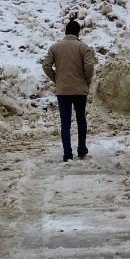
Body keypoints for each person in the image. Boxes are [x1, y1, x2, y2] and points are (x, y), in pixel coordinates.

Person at [40, 19, 97, 161]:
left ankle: (67, 153)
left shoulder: (55, 47)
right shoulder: (84, 48)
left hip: (62, 91)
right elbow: (89, 67)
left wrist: (56, 79)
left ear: (65, 32)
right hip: (79, 90)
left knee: (65, 122)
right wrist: (86, 80)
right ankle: (82, 149)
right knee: (81, 119)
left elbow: (46, 66)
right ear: (78, 32)